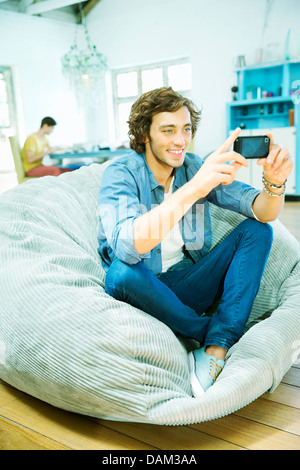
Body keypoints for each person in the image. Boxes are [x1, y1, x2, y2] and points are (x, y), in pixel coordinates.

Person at [97, 87, 293, 396]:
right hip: (145, 288)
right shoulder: (121, 174)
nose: (180, 140)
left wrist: (276, 181)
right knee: (121, 272)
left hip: (189, 284)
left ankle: (214, 349)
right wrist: (195, 188)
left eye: (186, 129)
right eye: (168, 130)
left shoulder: (193, 166)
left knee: (258, 231)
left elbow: (263, 210)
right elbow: (129, 248)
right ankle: (221, 334)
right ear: (144, 134)